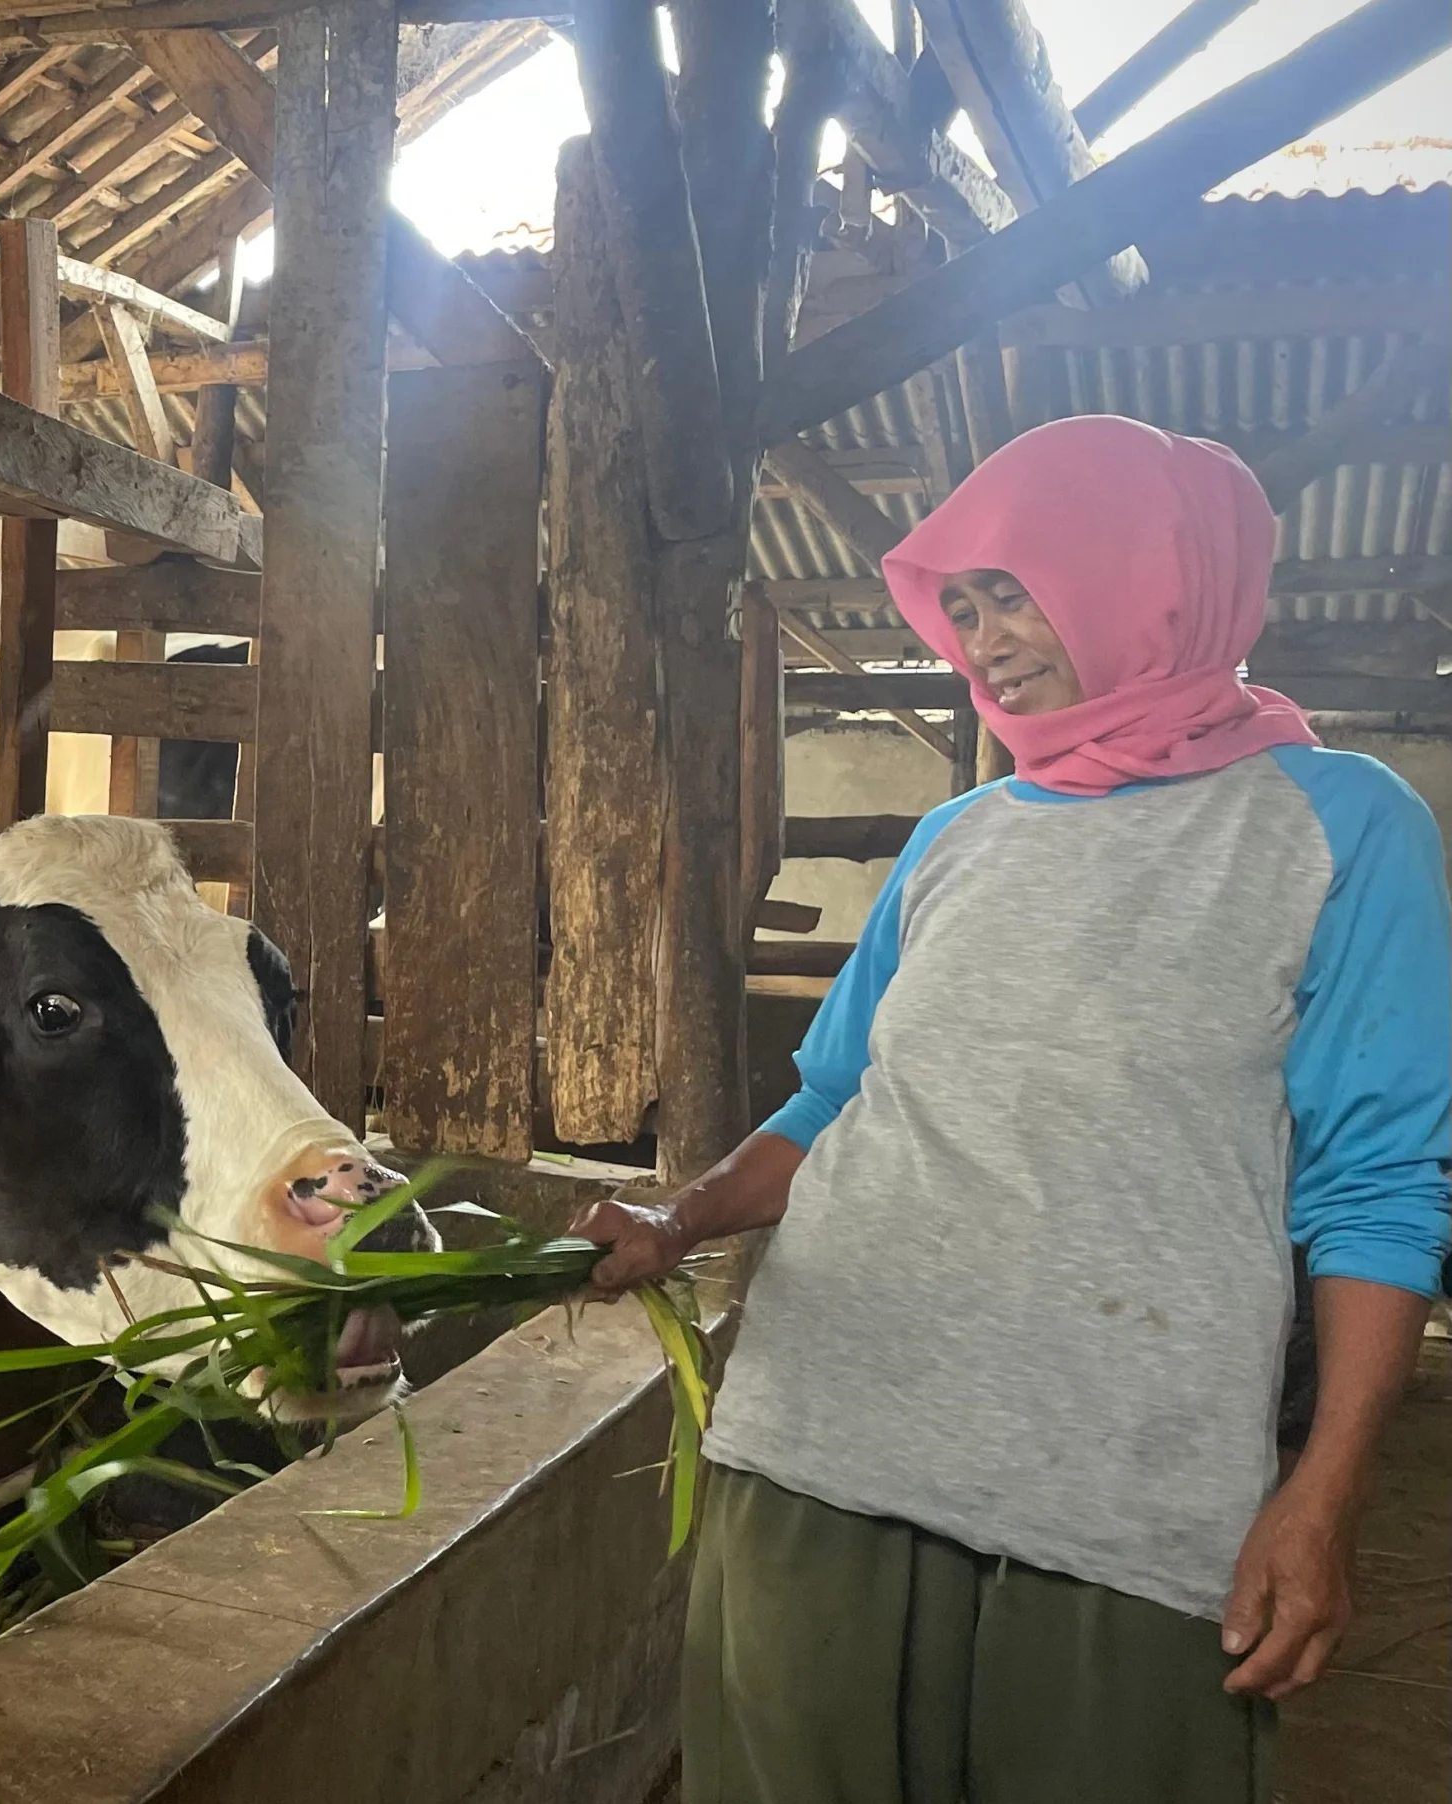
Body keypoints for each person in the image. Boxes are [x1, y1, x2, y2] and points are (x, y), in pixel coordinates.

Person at [573, 415, 1452, 1804]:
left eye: (1017, 591)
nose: (981, 637)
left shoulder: (1340, 830)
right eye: (962, 605)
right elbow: (828, 1107)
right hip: (822, 1447)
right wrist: (679, 1218)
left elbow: (1379, 1189)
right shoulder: (959, 839)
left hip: (1117, 1499)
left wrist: (1324, 1490)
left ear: (1147, 574)